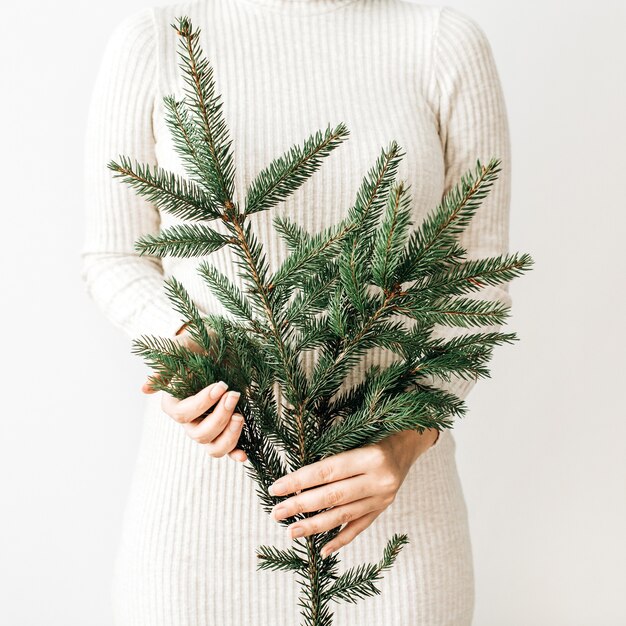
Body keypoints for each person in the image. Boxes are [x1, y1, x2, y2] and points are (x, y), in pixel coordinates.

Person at [81, 0, 512, 623]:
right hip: (197, 531)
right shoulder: (158, 40)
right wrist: (185, 348)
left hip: (395, 532)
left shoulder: (443, 44)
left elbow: (477, 282)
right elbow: (115, 254)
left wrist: (405, 439)